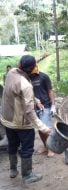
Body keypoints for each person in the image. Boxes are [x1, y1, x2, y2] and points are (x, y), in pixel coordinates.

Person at [0, 55, 51, 184]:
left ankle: (13, 170)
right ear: (33, 68)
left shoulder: (11, 73)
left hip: (7, 120)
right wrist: (44, 128)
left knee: (12, 144)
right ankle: (27, 175)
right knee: (27, 148)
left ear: (19, 65)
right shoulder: (26, 85)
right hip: (21, 124)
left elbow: (19, 93)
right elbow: (29, 112)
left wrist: (36, 100)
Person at [29, 62, 56, 157]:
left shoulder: (44, 77)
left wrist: (53, 105)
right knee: (40, 129)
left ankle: (50, 148)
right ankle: (45, 146)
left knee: (46, 129)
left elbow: (50, 91)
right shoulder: (27, 78)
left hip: (46, 106)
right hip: (34, 107)